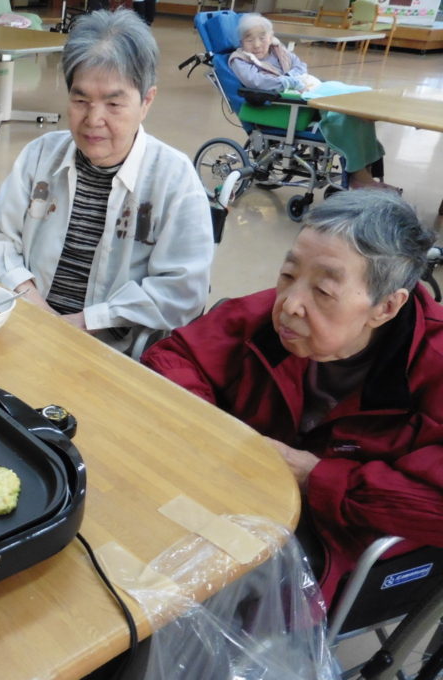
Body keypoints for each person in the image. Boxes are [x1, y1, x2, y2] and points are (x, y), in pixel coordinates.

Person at [141, 190, 443, 606]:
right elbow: (173, 358)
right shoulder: (266, 319)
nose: (290, 305)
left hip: (338, 537)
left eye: (323, 291)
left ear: (387, 307)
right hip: (243, 498)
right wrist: (217, 431)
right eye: (288, 274)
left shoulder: (434, 369)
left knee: (206, 587)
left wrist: (315, 476)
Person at [0, 9, 214, 360]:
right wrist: (37, 309)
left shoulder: (174, 180)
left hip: (113, 354)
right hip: (23, 326)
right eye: (80, 100)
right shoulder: (41, 155)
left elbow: (182, 291)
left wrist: (84, 324)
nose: (93, 120)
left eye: (114, 103)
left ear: (146, 102)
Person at [230, 13, 394, 191]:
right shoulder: (240, 60)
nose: (256, 45)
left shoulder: (278, 50)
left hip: (305, 89)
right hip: (285, 104)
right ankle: (360, 175)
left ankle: (364, 175)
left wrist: (293, 77)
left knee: (348, 108)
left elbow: (300, 66)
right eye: (249, 39)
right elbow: (257, 82)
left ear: (270, 37)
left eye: (262, 38)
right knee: (342, 106)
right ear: (241, 41)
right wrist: (287, 81)